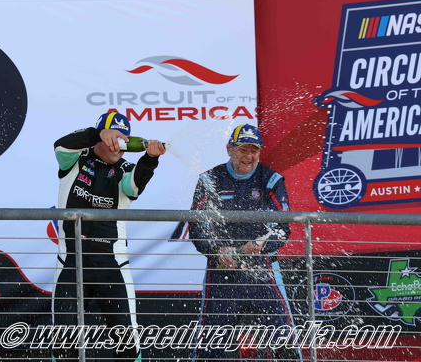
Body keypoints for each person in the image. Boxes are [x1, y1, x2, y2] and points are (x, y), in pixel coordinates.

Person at [52, 112, 167, 362]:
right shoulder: (74, 159)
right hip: (71, 263)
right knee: (62, 344)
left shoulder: (127, 169)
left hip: (112, 265)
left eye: (123, 139)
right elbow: (60, 146)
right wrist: (97, 134)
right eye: (113, 138)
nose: (118, 145)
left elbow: (133, 186)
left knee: (127, 343)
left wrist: (150, 159)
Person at [189, 124, 300, 361]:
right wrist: (216, 251)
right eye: (242, 150)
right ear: (229, 149)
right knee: (210, 345)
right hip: (222, 272)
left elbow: (282, 228)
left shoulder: (271, 179)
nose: (248, 156)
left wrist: (261, 245)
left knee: (283, 339)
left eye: (254, 150)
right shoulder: (209, 179)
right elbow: (197, 227)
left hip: (262, 271)